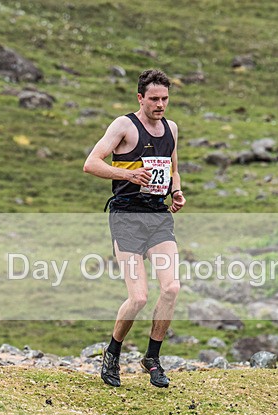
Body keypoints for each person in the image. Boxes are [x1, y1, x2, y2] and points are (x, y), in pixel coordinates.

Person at [83, 69, 186, 388]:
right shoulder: (124, 125)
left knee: (171, 288)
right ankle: (113, 352)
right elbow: (91, 163)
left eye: (165, 99)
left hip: (157, 216)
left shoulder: (172, 128)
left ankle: (152, 358)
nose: (160, 105)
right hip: (126, 216)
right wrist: (128, 175)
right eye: (154, 99)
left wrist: (177, 191)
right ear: (140, 98)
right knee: (139, 297)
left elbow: (173, 168)